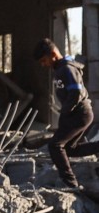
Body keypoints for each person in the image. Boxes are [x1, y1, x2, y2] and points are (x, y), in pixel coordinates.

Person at [34, 37, 98, 189]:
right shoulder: (60, 69)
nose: (43, 65)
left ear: (53, 54)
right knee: (69, 149)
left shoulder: (67, 69)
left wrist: (65, 113)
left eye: (44, 60)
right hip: (79, 113)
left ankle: (70, 183)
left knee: (55, 146)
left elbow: (76, 92)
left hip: (80, 113)